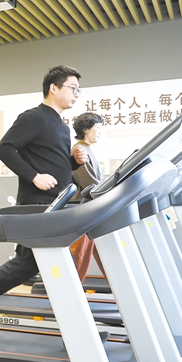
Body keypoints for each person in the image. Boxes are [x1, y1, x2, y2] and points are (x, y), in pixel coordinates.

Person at [0, 65, 87, 326]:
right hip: (38, 203)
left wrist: (73, 162)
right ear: (54, 88)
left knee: (37, 262)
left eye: (79, 90)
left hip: (57, 202)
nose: (77, 94)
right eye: (73, 88)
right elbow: (5, 148)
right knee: (29, 262)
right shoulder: (34, 117)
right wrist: (34, 176)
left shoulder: (61, 126)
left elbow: (53, 162)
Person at [68, 112, 106, 281]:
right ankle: (68, 289)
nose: (100, 131)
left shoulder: (87, 149)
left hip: (90, 208)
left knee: (101, 254)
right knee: (79, 256)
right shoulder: (79, 150)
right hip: (82, 208)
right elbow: (89, 182)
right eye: (97, 127)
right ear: (85, 129)